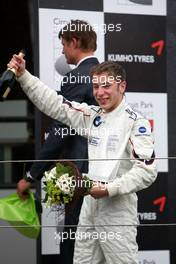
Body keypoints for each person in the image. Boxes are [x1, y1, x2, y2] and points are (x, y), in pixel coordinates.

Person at [8, 58, 157, 263]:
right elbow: (55, 103)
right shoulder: (92, 116)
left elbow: (147, 171)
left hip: (117, 213)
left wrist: (109, 189)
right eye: (96, 86)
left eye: (106, 86)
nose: (100, 92)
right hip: (89, 209)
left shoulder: (136, 123)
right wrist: (23, 76)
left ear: (122, 86)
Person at [16, 19, 99, 264]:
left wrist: (31, 176)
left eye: (64, 44)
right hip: (107, 177)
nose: (62, 51)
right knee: (97, 241)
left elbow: (59, 132)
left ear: (74, 42)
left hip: (79, 174)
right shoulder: (107, 75)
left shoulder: (76, 77)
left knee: (74, 243)